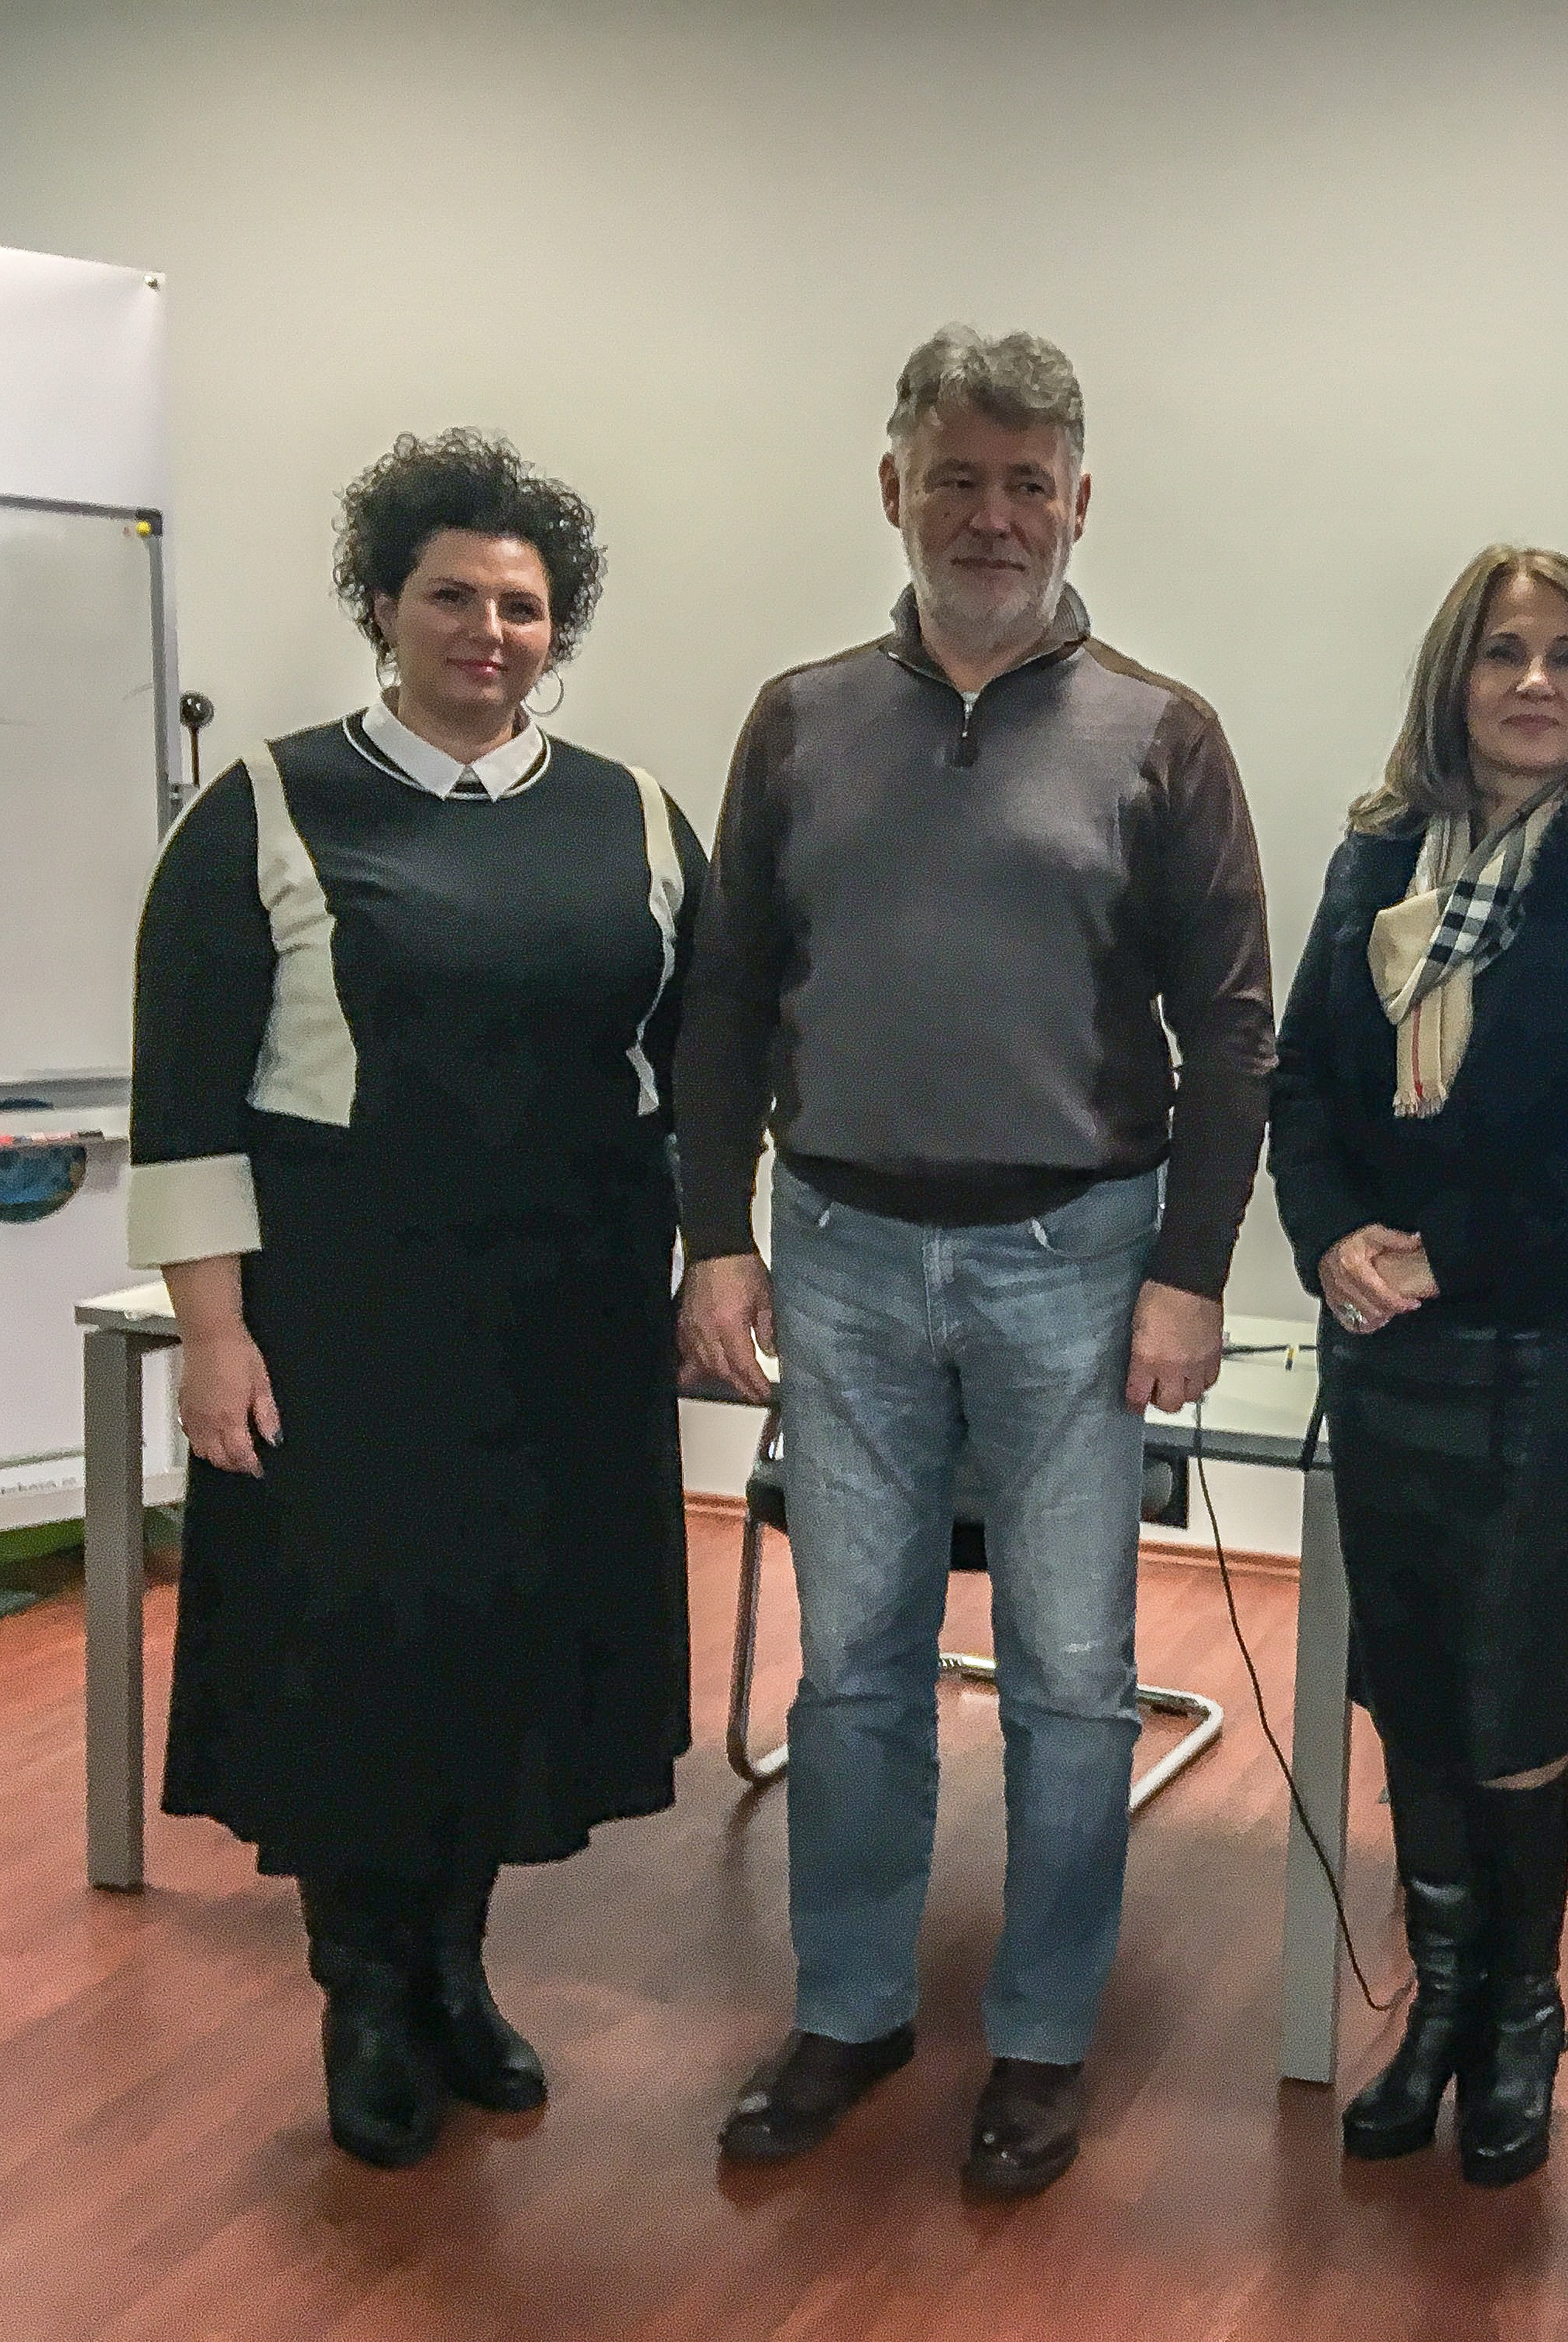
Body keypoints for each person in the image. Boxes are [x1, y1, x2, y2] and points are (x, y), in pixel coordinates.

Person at [675, 325, 1274, 2196]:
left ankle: (1042, 2036)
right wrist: (714, 1236)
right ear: (895, 490)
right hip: (839, 1250)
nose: (992, 515)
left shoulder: (1162, 735)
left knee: (1071, 1676)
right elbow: (724, 1002)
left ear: (1080, 502)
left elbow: (1232, 1032)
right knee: (853, 1668)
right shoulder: (797, 721)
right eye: (958, 478)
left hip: (1074, 1260)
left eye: (1028, 483)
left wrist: (1191, 1273)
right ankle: (851, 2007)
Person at [126, 431, 704, 2171]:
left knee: (503, 1646)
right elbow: (185, 1098)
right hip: (347, 1322)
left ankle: (457, 1966)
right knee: (359, 1651)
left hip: (566, 1321)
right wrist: (212, 1332)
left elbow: (701, 1068)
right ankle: (365, 1989)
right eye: (451, 595)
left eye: (521, 606)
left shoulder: (637, 815)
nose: (487, 632)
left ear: (557, 628)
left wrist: (715, 1257)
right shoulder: (270, 806)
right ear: (382, 604)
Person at [1268, 547, 1568, 2186]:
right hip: (1386, 1331)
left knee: (1509, 1679)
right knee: (1406, 1673)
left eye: (1567, 656)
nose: (1535, 684)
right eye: (1503, 653)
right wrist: (1333, 1237)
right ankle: (1443, 2006)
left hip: (1554, 1333)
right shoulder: (1379, 850)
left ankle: (1524, 2017)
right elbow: (1302, 1079)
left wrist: (1442, 1251)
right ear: (1451, 679)